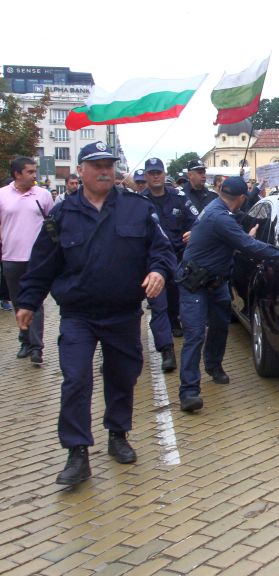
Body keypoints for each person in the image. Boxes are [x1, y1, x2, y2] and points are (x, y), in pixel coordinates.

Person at [16, 141, 177, 485]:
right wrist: (28, 302)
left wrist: (159, 271)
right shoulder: (62, 214)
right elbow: (43, 262)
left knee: (122, 376)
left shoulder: (138, 208)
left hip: (122, 313)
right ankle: (77, 453)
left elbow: (161, 249)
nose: (105, 170)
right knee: (76, 380)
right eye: (97, 165)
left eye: (109, 164)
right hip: (78, 315)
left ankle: (117, 434)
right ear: (81, 171)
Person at [177, 177, 279, 412]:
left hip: (216, 283)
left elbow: (234, 240)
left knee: (220, 327)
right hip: (195, 284)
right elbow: (248, 247)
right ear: (240, 199)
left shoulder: (217, 210)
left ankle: (214, 366)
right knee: (195, 334)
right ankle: (189, 391)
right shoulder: (219, 217)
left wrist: (245, 238)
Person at [142, 157, 199, 360]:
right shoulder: (140, 202)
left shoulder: (179, 197)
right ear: (146, 176)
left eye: (159, 172)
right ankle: (167, 350)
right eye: (152, 173)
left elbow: (197, 220)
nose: (156, 176)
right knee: (158, 305)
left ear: (164, 174)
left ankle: (174, 322)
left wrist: (193, 231)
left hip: (178, 259)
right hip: (153, 264)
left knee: (175, 301)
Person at [0, 157, 55, 365]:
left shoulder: (43, 195)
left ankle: (36, 346)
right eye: (30, 172)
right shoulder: (2, 195)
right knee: (18, 302)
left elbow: (52, 224)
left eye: (35, 171)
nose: (35, 175)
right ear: (17, 174)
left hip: (37, 260)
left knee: (36, 302)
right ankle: (24, 340)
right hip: (11, 258)